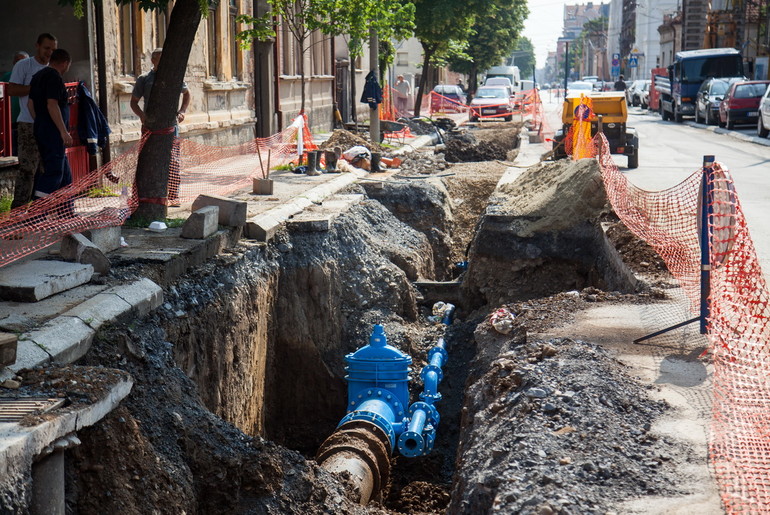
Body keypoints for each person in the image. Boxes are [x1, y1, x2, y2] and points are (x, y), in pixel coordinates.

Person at [130, 48, 190, 206]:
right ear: (153, 60)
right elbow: (133, 102)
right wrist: (142, 116)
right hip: (150, 126)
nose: (163, 62)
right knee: (148, 158)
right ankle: (146, 195)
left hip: (171, 125)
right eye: (159, 59)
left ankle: (173, 195)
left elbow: (187, 93)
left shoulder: (174, 77)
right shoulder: (144, 79)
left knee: (174, 160)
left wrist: (182, 111)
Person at [8, 33, 57, 208]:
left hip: (49, 125)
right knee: (27, 169)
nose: (49, 52)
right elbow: (12, 90)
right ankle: (19, 210)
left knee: (47, 169)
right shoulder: (24, 65)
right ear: (37, 46)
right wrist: (35, 88)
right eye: (46, 48)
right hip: (28, 123)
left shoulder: (54, 68)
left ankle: (41, 209)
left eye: (53, 49)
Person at [28, 48, 73, 201]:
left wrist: (41, 121)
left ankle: (66, 210)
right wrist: (63, 131)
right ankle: (38, 212)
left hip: (42, 128)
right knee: (54, 172)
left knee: (64, 173)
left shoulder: (38, 76)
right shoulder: (54, 77)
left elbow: (30, 104)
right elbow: (52, 105)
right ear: (65, 63)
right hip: (53, 132)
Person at [2, 51, 30, 156]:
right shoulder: (7, 76)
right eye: (17, 61)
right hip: (11, 118)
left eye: (23, 61)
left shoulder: (31, 76)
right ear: (14, 63)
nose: (20, 64)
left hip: (26, 118)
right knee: (12, 145)